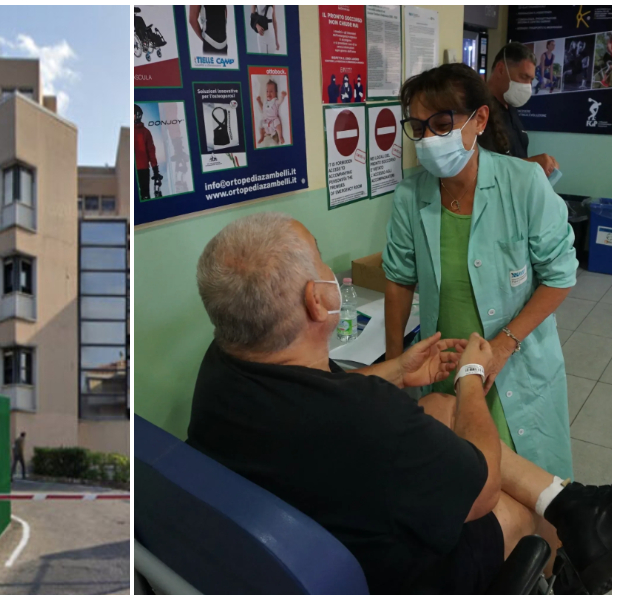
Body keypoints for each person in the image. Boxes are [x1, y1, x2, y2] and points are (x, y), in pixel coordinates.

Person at [187, 211, 611, 594]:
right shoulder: (368, 416)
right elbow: (480, 490)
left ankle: (571, 502)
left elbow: (313, 395)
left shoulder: (223, 366)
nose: (328, 271)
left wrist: (395, 370)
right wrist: (469, 376)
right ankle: (568, 562)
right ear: (317, 301)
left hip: (299, 520)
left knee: (439, 410)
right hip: (385, 574)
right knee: (514, 509)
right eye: (320, 258)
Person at [385, 63, 577, 482]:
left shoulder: (523, 184)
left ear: (480, 120)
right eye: (419, 128)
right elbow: (399, 278)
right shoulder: (409, 196)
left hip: (516, 365)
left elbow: (560, 276)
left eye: (441, 123)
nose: (429, 139)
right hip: (444, 367)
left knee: (530, 486)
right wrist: (396, 364)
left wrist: (504, 346)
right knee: (461, 486)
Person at [486, 42, 559, 175]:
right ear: (501, 69)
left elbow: (515, 156)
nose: (528, 86)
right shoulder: (479, 112)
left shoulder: (510, 107)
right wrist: (531, 164)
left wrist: (540, 165)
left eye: (531, 80)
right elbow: (482, 167)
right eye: (524, 77)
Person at [134, 104, 159, 200]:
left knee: (145, 196)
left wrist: (155, 171)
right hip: (132, 170)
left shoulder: (145, 132)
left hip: (143, 170)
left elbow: (151, 152)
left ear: (138, 115)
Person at [256, 79, 287, 146]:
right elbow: (263, 109)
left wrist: (282, 96)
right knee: (261, 125)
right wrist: (259, 101)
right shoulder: (265, 102)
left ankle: (280, 136)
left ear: (276, 93)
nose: (268, 93)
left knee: (277, 122)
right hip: (266, 122)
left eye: (271, 91)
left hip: (273, 121)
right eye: (267, 91)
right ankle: (262, 136)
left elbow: (280, 102)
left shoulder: (275, 101)